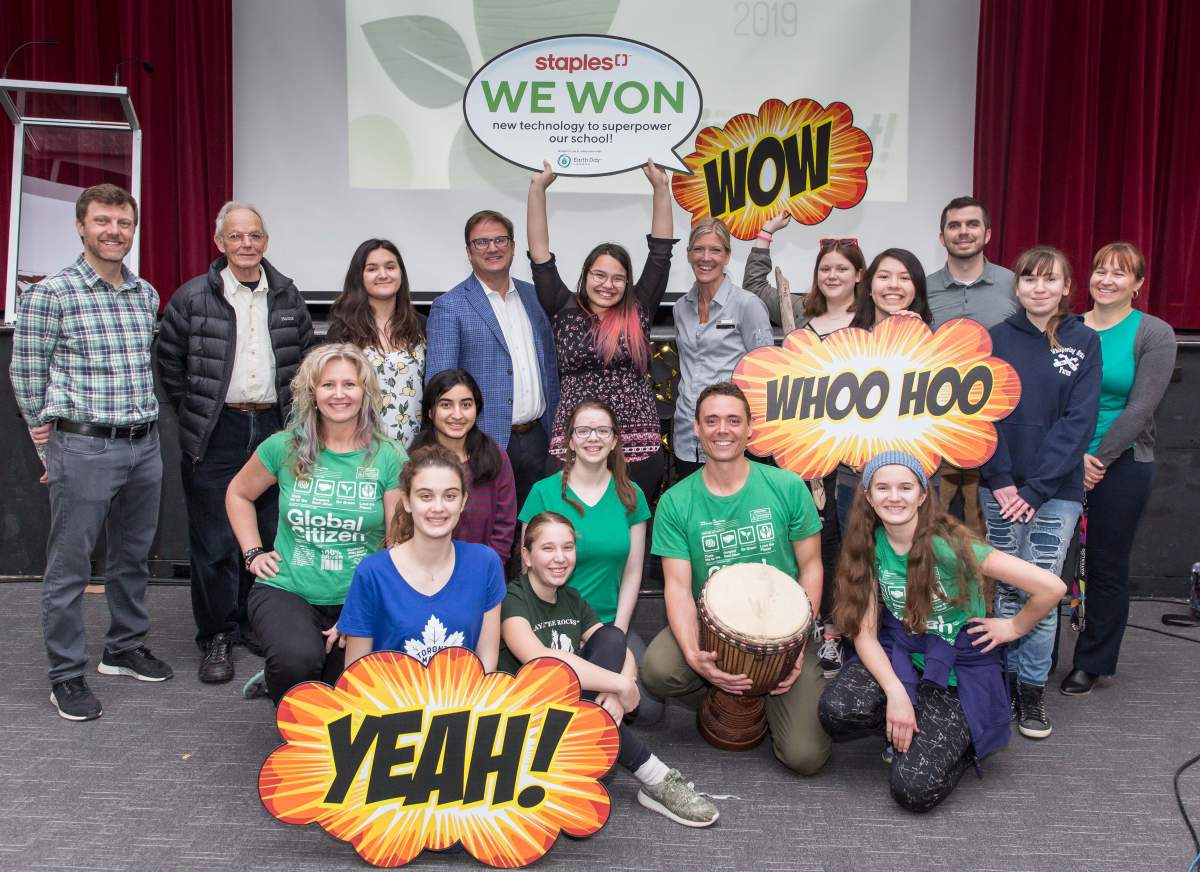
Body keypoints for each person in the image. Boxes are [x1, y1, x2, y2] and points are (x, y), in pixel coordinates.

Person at [818, 451, 1066, 812]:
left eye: (905, 487)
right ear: (868, 496)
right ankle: (912, 712)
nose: (894, 497)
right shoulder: (868, 544)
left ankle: (960, 742)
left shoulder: (951, 545)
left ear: (922, 494)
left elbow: (1052, 587)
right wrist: (896, 693)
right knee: (837, 711)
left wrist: (1014, 626)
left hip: (957, 668)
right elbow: (865, 635)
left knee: (912, 791)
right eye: (883, 488)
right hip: (903, 650)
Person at [11, 183, 172, 721]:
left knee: (132, 556)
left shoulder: (145, 294)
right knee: (70, 567)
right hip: (82, 446)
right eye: (102, 221)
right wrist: (48, 447)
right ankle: (65, 675)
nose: (114, 231)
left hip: (144, 445)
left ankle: (123, 648)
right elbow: (26, 375)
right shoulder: (51, 295)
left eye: (124, 223)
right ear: (80, 226)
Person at [157, 200, 316, 684]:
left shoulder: (288, 297)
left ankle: (253, 622)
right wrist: (200, 413)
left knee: (269, 534)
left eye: (255, 235)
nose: (247, 244)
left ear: (265, 241)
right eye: (236, 236)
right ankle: (217, 635)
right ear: (219, 242)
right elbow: (169, 365)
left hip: (274, 428)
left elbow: (305, 362)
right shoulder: (191, 298)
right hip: (216, 429)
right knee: (214, 542)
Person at [642, 383, 830, 775]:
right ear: (696, 428)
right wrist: (694, 656)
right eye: (711, 421)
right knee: (658, 670)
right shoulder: (676, 501)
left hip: (785, 632)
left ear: (750, 429)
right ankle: (734, 693)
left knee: (805, 757)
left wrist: (796, 647)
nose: (722, 430)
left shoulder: (787, 486)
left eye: (733, 420)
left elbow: (812, 567)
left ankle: (759, 696)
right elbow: (677, 587)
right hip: (715, 631)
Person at [500, 513, 718, 827]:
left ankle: (598, 746)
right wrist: (620, 685)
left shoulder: (571, 598)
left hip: (568, 713)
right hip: (524, 722)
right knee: (572, 682)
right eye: (548, 548)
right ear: (526, 556)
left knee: (612, 636)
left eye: (567, 547)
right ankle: (654, 776)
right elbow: (541, 660)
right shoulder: (513, 598)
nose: (560, 558)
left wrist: (619, 689)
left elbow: (619, 648)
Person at [226, 344, 405, 704]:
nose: (339, 394)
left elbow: (397, 545)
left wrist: (359, 612)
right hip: (288, 589)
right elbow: (238, 494)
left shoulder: (389, 456)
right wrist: (253, 553)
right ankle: (284, 671)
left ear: (365, 392)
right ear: (312, 393)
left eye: (349, 384)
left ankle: (288, 674)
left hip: (357, 593)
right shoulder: (283, 447)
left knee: (346, 689)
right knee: (297, 662)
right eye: (328, 385)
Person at [979, 246, 1100, 738]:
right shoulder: (994, 339)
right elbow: (980, 414)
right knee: (1007, 589)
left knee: (1043, 589)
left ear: (1066, 287)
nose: (1040, 288)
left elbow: (1079, 422)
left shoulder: (1083, 340)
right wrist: (1002, 480)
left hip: (1055, 491)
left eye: (1050, 279)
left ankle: (1031, 690)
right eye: (1030, 279)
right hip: (1001, 489)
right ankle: (1004, 684)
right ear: (1018, 286)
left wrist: (1036, 489)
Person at [743, 216, 866, 677]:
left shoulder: (873, 323)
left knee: (849, 542)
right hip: (804, 451)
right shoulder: (800, 313)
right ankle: (815, 624)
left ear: (859, 274)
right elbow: (756, 288)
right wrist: (765, 236)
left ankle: (846, 631)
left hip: (853, 454)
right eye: (825, 269)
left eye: (842, 268)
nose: (832, 276)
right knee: (814, 536)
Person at [1061, 242, 1176, 696]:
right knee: (1048, 563)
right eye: (1100, 270)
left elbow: (1140, 408)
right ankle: (1035, 660)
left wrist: (1098, 460)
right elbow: (1051, 399)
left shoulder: (1153, 333)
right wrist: (1074, 457)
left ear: (1138, 284)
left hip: (1123, 463)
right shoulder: (1066, 328)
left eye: (1120, 273)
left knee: (1105, 566)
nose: (1106, 280)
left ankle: (1092, 661)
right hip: (1063, 459)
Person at [526, 159, 675, 501]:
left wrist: (661, 188)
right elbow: (540, 255)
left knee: (631, 523)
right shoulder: (563, 307)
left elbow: (660, 253)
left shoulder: (638, 308)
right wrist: (537, 189)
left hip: (635, 440)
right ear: (586, 274)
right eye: (599, 275)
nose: (608, 284)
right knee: (568, 521)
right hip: (576, 439)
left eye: (618, 278)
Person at [518, 399, 662, 722]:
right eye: (583, 431)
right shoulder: (543, 493)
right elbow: (528, 570)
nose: (592, 438)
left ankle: (595, 704)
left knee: (648, 710)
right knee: (570, 701)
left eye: (602, 431)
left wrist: (617, 635)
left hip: (609, 622)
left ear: (614, 440)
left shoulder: (632, 495)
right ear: (570, 440)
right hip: (555, 623)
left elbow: (633, 571)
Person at [425, 210, 559, 513]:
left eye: (500, 240)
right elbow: (439, 385)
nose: (492, 248)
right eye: (482, 242)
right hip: (482, 441)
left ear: (513, 246)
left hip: (540, 438)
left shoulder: (536, 297)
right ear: (469, 251)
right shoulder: (450, 306)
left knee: (538, 529)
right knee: (487, 528)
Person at [340, 445, 504, 670]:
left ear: (463, 501)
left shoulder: (485, 564)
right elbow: (355, 672)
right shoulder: (372, 573)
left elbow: (487, 662)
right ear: (407, 501)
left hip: (465, 692)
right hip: (391, 693)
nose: (438, 507)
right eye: (425, 496)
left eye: (450, 496)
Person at [926, 196, 1017, 535]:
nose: (963, 232)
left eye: (972, 224)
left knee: (991, 533)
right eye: (954, 225)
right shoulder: (921, 288)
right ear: (942, 237)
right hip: (937, 426)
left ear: (988, 234)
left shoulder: (1015, 285)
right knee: (938, 530)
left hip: (1003, 425)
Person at [839, 248, 934, 530]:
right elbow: (829, 411)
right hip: (856, 477)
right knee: (858, 554)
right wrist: (850, 454)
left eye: (904, 278)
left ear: (917, 289)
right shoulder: (844, 345)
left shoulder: (937, 345)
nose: (893, 285)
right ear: (869, 288)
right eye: (883, 277)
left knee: (918, 555)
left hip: (918, 477)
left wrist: (917, 339)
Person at [671, 219, 774, 479]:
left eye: (715, 250)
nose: (706, 257)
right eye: (698, 249)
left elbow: (767, 374)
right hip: (687, 435)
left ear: (727, 256)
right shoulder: (680, 308)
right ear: (689, 254)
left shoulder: (747, 305)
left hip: (732, 437)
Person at [410, 370, 516, 563]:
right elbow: (405, 526)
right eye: (446, 405)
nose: (457, 415)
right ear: (430, 411)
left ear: (477, 408)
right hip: (424, 569)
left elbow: (504, 528)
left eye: (466, 405)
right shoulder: (414, 460)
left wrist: (486, 570)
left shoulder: (495, 457)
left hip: (482, 570)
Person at [327, 238, 425, 446]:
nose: (383, 275)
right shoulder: (342, 331)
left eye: (390, 267)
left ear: (401, 273)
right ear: (359, 277)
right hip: (361, 448)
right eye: (372, 269)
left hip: (417, 449)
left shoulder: (422, 326)